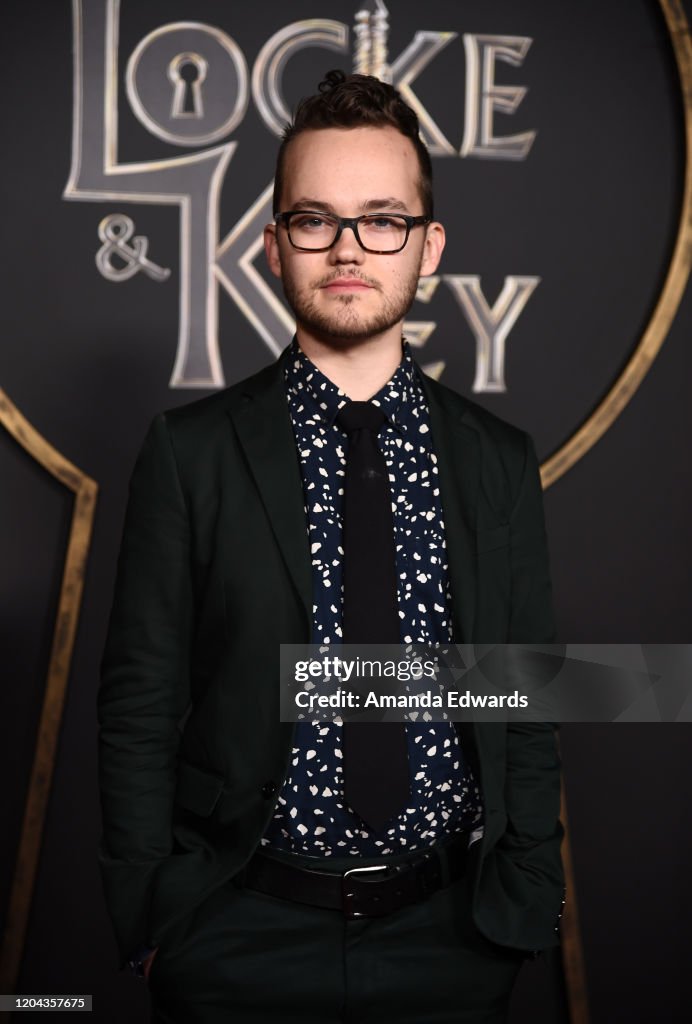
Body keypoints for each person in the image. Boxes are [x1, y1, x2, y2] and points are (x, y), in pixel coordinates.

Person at [98, 70, 564, 1024]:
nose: (349, 248)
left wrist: (524, 897)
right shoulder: (191, 455)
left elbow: (525, 692)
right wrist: (154, 918)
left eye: (382, 219)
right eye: (315, 220)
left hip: (451, 940)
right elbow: (140, 703)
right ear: (275, 247)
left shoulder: (497, 462)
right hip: (237, 935)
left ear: (427, 247)